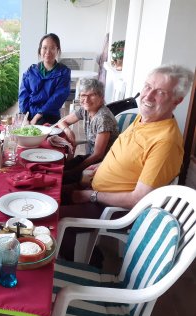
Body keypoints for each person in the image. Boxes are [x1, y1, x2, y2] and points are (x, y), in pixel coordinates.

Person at [59, 64, 194, 261]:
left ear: (177, 100)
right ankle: (79, 251)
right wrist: (99, 168)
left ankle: (70, 264)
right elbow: (123, 156)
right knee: (46, 190)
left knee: (50, 216)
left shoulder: (165, 142)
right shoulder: (144, 119)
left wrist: (92, 195)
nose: (148, 96)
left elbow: (138, 198)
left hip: (112, 209)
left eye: (160, 92)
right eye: (148, 87)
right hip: (94, 188)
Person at [58, 78, 118, 185]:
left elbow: (98, 154)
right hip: (90, 156)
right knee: (58, 167)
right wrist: (68, 131)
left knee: (63, 178)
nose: (86, 99)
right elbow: (62, 122)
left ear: (101, 97)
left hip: (103, 163)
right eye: (83, 95)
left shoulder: (103, 118)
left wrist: (74, 171)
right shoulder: (85, 110)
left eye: (92, 95)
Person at [18, 33, 71, 125]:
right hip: (28, 113)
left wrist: (38, 116)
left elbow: (57, 98)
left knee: (37, 133)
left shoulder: (63, 72)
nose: (48, 52)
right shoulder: (31, 71)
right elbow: (23, 94)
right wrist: (24, 116)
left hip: (49, 115)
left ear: (57, 50)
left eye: (52, 48)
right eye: (44, 48)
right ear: (40, 50)